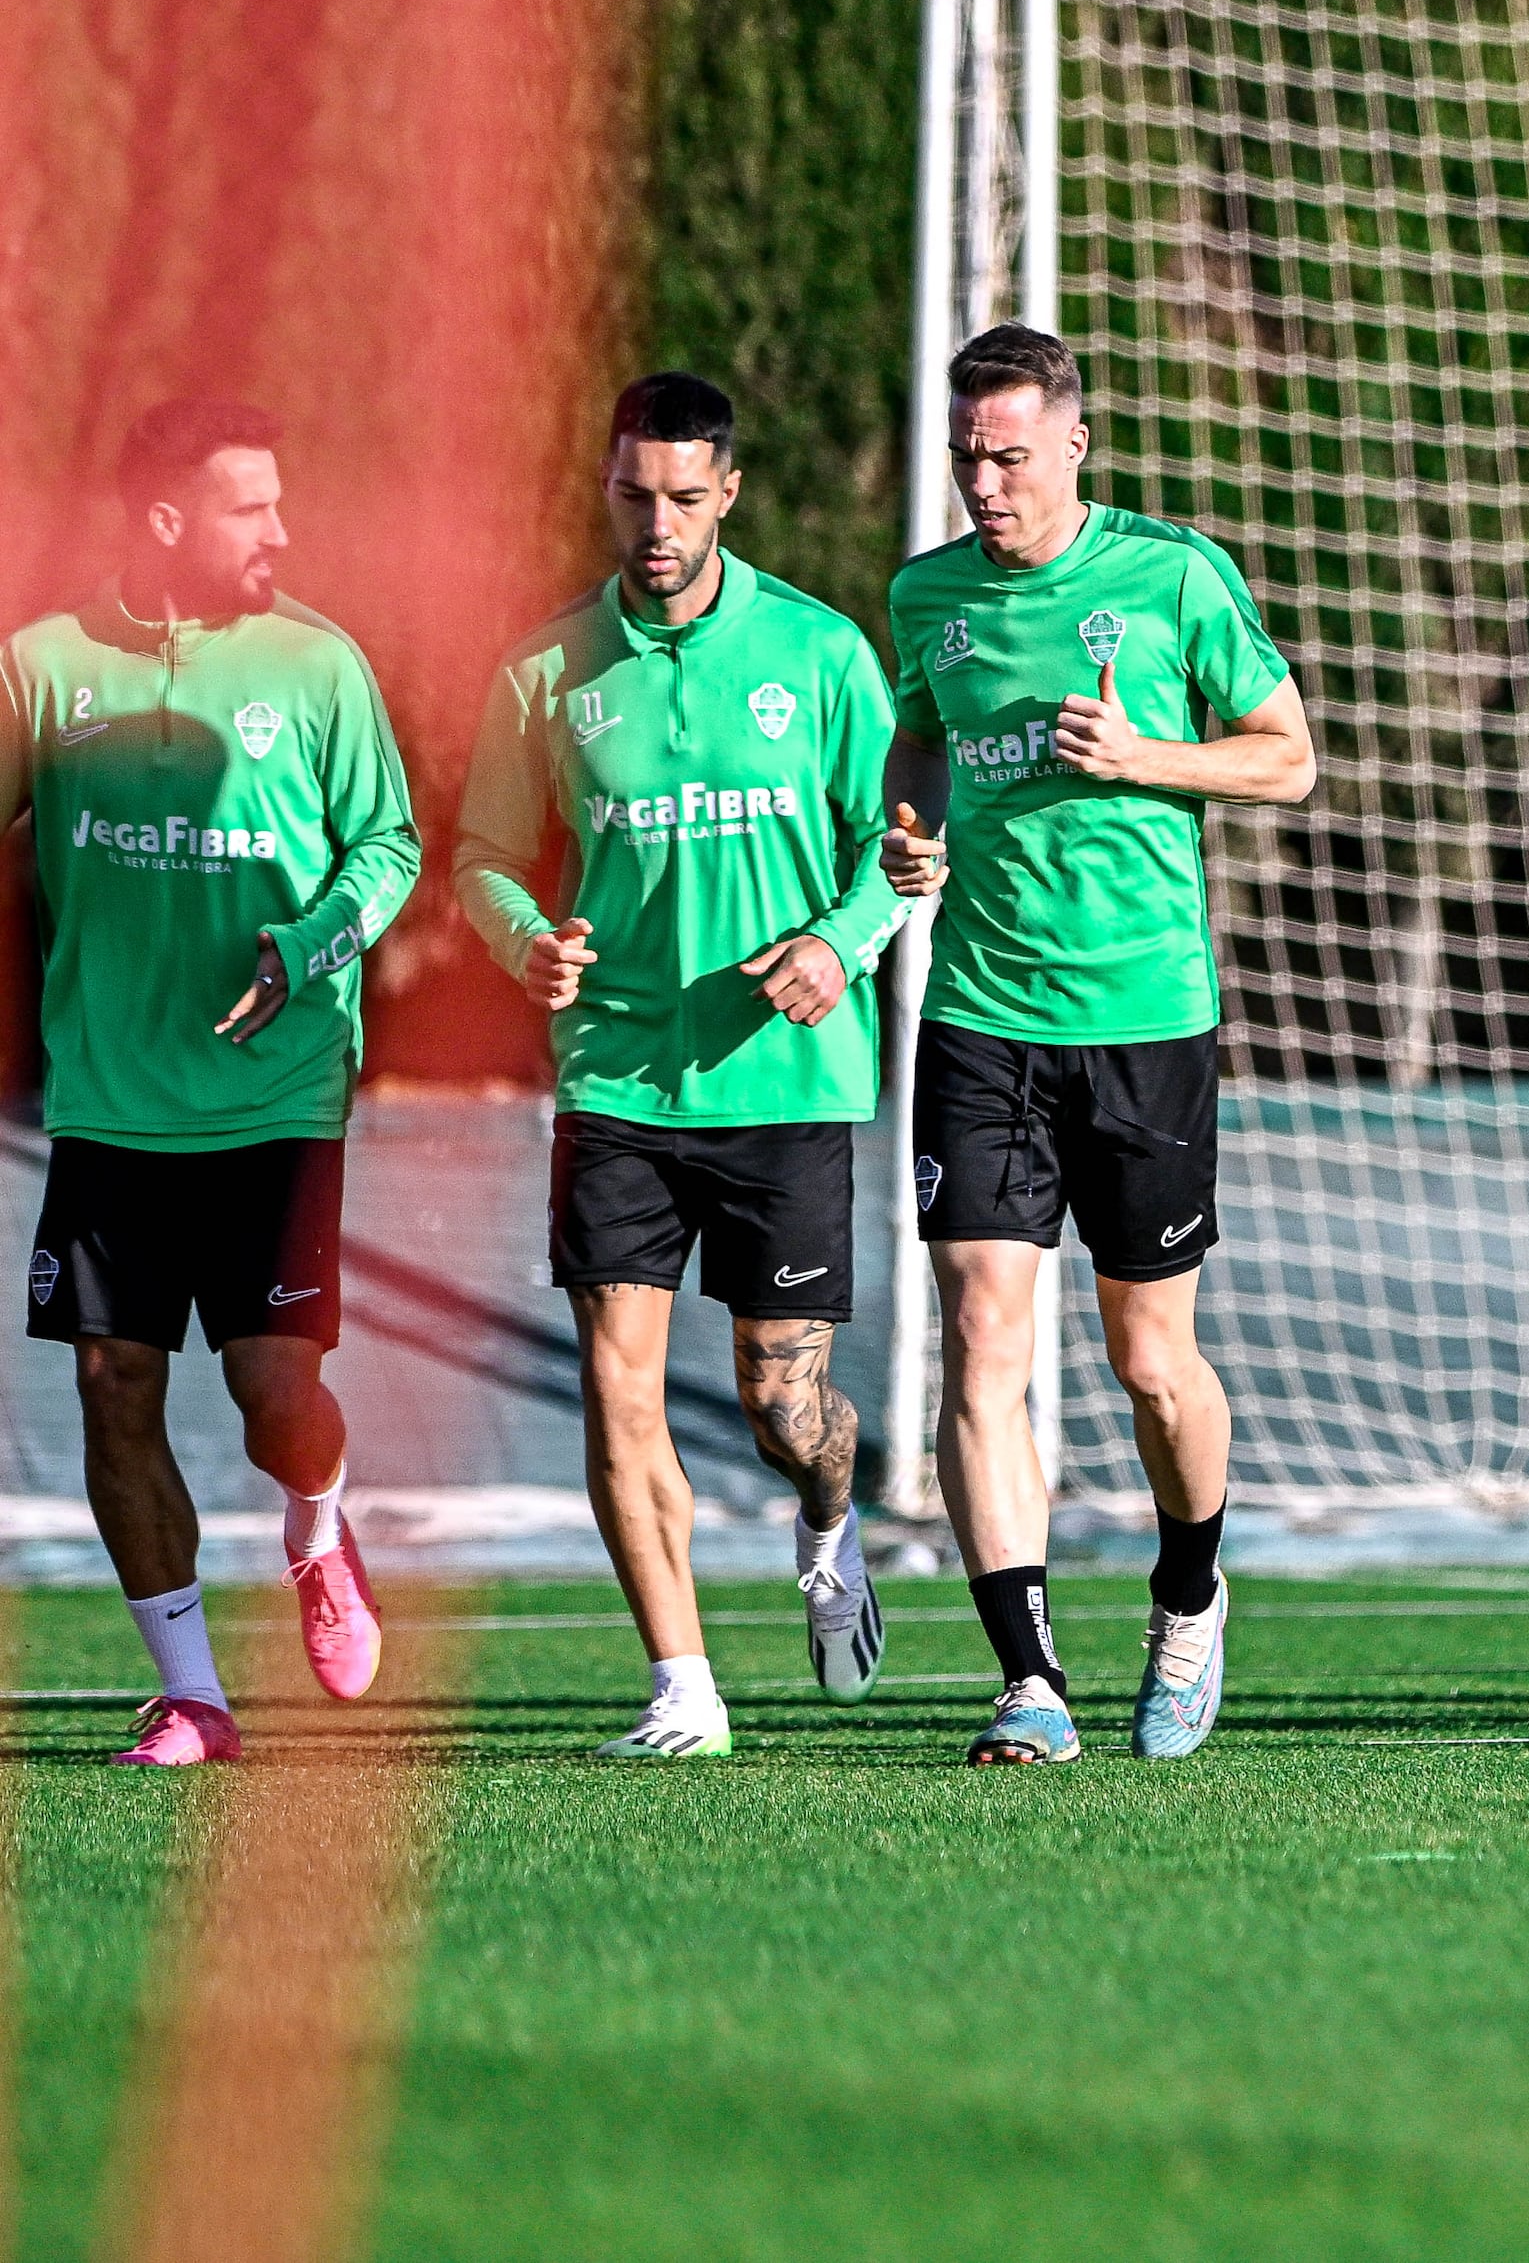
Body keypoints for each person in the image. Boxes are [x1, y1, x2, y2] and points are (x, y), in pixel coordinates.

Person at [881, 325, 1318, 1766]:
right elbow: (920, 738)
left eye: (1010, 455)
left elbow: (1287, 753)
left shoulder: (1173, 574)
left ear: (1074, 444)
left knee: (1149, 1359)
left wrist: (1147, 758)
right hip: (980, 1019)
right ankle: (1027, 1678)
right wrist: (910, 815)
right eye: (966, 457)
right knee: (982, 1338)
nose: (986, 484)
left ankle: (1190, 1598)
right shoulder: (927, 594)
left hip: (1144, 1021)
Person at [459, 374, 903, 1756]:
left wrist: (841, 941)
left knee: (782, 1407)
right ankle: (683, 1686)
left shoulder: (819, 653)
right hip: (616, 1083)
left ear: (729, 495)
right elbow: (477, 858)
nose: (658, 522)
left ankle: (828, 1527)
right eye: (634, 493)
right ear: (607, 487)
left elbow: (895, 850)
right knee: (618, 1384)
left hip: (784, 1081)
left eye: (684, 497)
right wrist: (526, 940)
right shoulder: (545, 672)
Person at [0, 399, 415, 1764]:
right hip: (112, 1107)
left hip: (274, 1097)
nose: (282, 532)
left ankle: (316, 1522)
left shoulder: (317, 667)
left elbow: (390, 847)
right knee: (116, 1380)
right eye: (253, 508)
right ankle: (192, 1694)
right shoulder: (46, 668)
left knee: (272, 1390)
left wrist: (312, 945)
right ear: (167, 522)